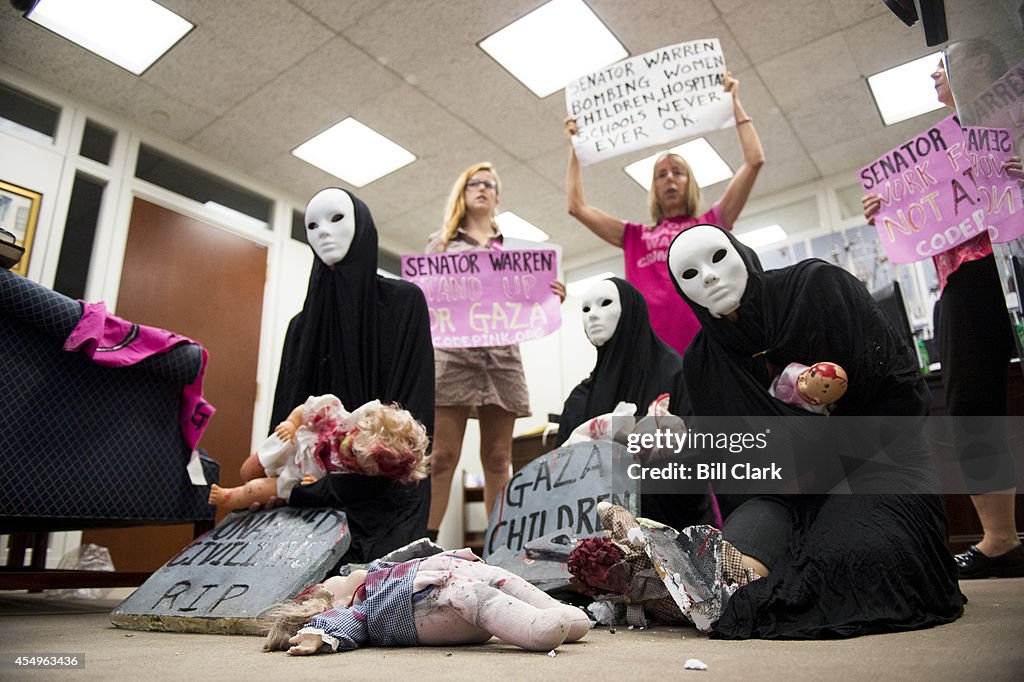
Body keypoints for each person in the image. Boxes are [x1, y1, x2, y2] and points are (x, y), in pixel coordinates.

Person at [664, 224, 964, 638]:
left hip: (874, 468)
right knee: (721, 578)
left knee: (855, 562)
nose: (710, 276)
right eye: (690, 274)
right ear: (683, 291)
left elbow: (903, 397)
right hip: (780, 493)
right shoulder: (702, 361)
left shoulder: (818, 291)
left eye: (717, 258)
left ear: (742, 253)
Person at [862, 44, 1024, 579]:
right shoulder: (934, 154)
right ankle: (1000, 539)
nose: (935, 73)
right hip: (967, 277)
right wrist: (889, 215)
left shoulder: (1016, 124)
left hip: (1012, 261)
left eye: (944, 65)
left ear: (982, 70)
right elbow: (925, 220)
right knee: (971, 408)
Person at [264, 187, 435, 562]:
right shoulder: (301, 328)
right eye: (312, 224)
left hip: (384, 488)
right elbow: (285, 413)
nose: (323, 231)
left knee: (377, 581)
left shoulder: (404, 303)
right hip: (308, 491)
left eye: (336, 218)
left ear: (363, 227)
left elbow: (413, 410)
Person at [564, 71, 765, 355]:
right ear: (654, 188)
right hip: (653, 355)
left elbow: (754, 160)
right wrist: (575, 149)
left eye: (677, 172)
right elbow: (576, 206)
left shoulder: (709, 225)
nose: (669, 178)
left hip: (711, 349)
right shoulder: (635, 237)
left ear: (690, 182)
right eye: (661, 175)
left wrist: (734, 102)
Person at [425, 162, 566, 538]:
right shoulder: (440, 244)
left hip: (501, 359)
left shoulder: (515, 251)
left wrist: (551, 296)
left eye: (490, 184)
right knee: (441, 458)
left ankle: (500, 545)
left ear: (497, 197)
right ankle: (422, 543)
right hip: (453, 357)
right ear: (463, 190)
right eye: (476, 182)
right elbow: (428, 298)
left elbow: (529, 300)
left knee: (499, 458)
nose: (483, 188)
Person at [554, 276, 713, 529]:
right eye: (585, 309)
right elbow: (557, 475)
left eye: (605, 303)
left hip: (673, 534)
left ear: (631, 311)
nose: (593, 316)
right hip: (597, 542)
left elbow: (699, 456)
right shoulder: (579, 399)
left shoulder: (674, 373)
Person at [262, 549, 590, 655]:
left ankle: (561, 614)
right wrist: (320, 632)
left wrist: (451, 555)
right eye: (332, 585)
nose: (344, 576)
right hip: (434, 603)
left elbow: (415, 555)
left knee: (497, 577)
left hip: (453, 574)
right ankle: (537, 629)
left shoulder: (379, 571)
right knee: (473, 597)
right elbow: (349, 623)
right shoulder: (360, 605)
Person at [210, 397, 428, 511]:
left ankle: (229, 498)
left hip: (295, 475)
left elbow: (328, 485)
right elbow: (303, 411)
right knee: (248, 471)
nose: (349, 459)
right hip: (292, 449)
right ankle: (249, 496)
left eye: (358, 464)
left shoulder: (352, 474)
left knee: (256, 489)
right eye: (352, 449)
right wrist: (291, 423)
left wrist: (314, 483)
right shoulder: (333, 414)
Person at [769, 361, 848, 415]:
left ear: (814, 400)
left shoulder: (812, 409)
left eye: (805, 383)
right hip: (777, 385)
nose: (801, 377)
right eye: (806, 372)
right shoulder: (796, 372)